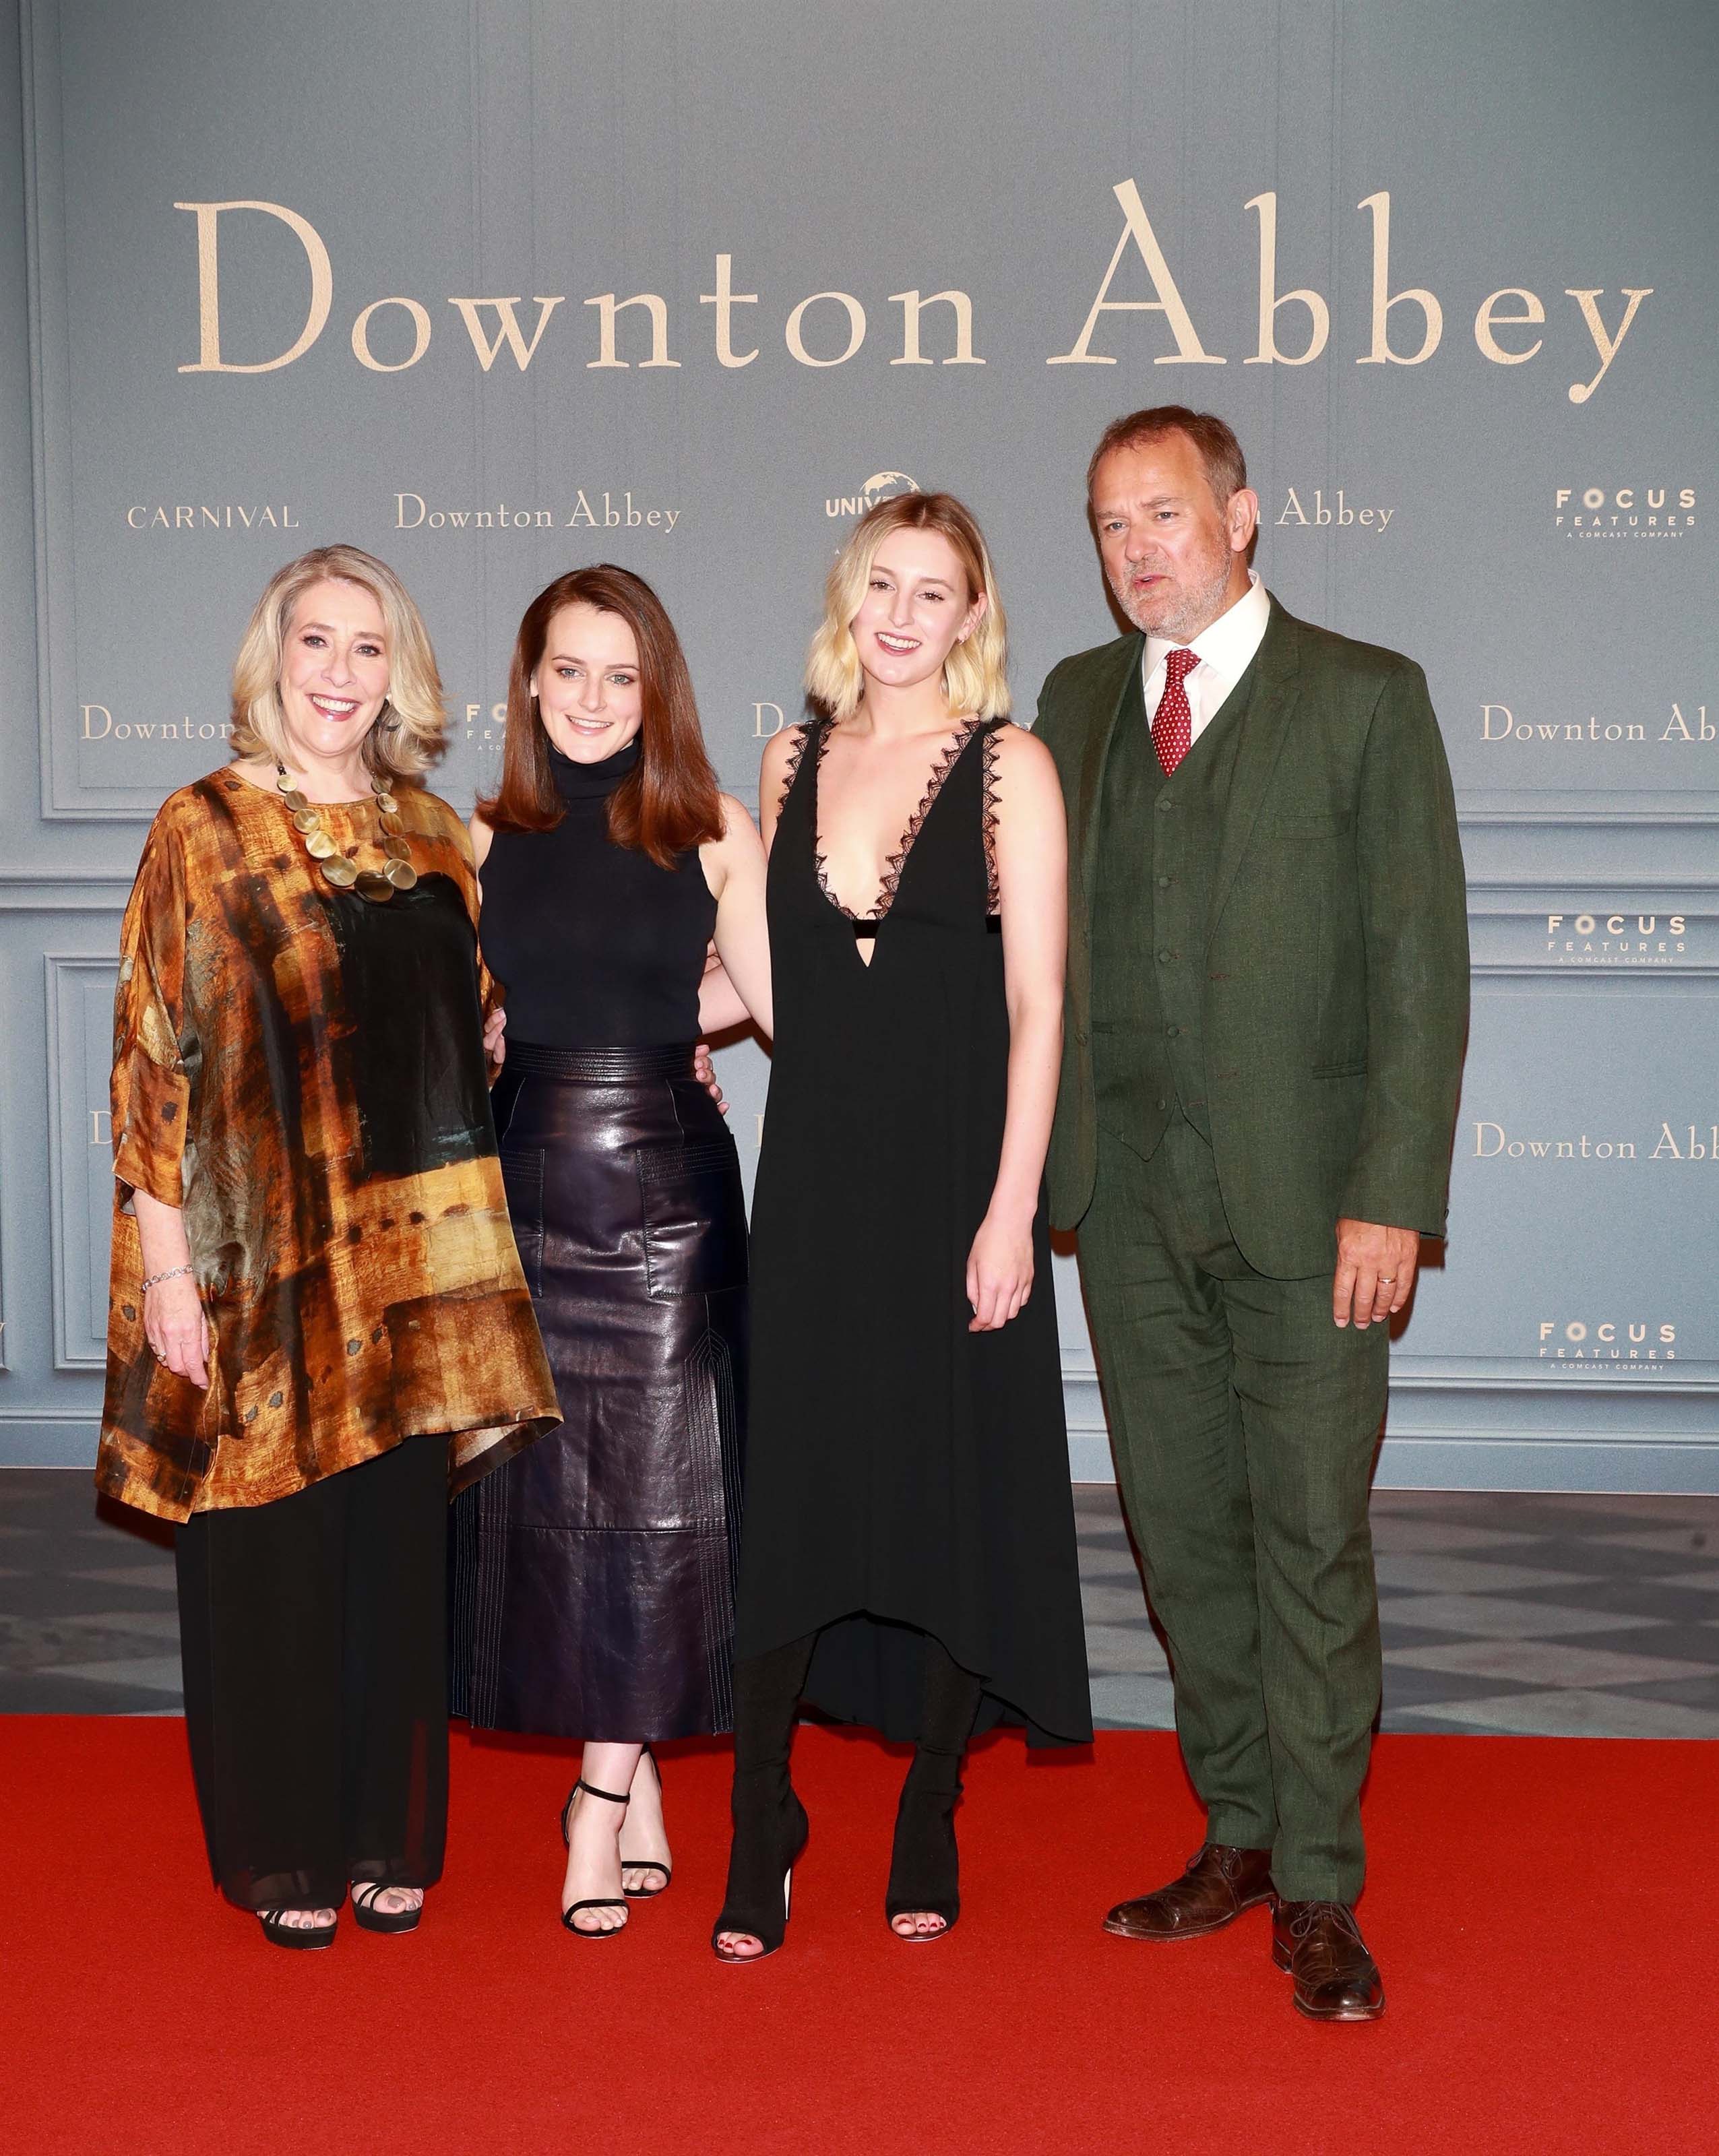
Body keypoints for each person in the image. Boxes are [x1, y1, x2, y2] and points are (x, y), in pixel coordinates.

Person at [1033, 407, 1468, 2021]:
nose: (1136, 547)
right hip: (1124, 1204)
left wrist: (1392, 1202)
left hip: (1309, 1216)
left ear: (1243, 514)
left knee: (1307, 1540)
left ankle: (1323, 1889)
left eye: (1163, 512)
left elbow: (1421, 979)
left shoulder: (1365, 698)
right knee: (1184, 1538)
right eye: (1106, 524)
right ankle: (1237, 1832)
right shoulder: (1075, 704)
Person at [95, 544, 559, 1951]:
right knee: (271, 1559)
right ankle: (283, 1842)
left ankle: (382, 1832)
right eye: (316, 642)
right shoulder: (205, 825)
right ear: (273, 659)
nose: (340, 673)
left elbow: (489, 1014)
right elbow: (150, 1059)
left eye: (369, 648)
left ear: (400, 672)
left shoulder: (442, 838)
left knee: (387, 1563)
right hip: (251, 1261)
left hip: (412, 1266)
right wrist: (167, 1266)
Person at [712, 492, 1092, 1964]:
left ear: (974, 619)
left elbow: (1041, 1004)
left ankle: (929, 1801)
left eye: (935, 593)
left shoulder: (1011, 769)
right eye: (882, 582)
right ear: (846, 595)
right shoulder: (785, 758)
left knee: (945, 1491)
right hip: (807, 1184)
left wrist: (1011, 1213)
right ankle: (762, 1815)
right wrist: (634, 1032)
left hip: (954, 1187)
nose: (901, 613)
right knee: (792, 1491)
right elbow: (770, 988)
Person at [447, 566, 772, 1939]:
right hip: (521, 1185)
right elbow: (473, 1014)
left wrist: (668, 1012)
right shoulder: (475, 836)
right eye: (568, 670)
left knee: (653, 1504)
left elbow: (768, 995)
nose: (591, 698)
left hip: (664, 1191)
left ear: (658, 692)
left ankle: (592, 1802)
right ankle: (632, 1772)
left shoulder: (710, 827)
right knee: (549, 1514)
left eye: (620, 675)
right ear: (528, 680)